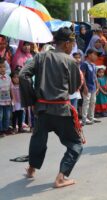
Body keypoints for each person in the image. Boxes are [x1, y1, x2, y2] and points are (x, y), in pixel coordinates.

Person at [19, 27, 84, 188]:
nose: (73, 46)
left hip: (42, 109)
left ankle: (31, 169)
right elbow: (74, 87)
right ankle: (61, 177)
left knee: (38, 140)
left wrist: (33, 98)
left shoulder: (40, 57)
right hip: (61, 109)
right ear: (67, 44)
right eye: (72, 42)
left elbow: (22, 75)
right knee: (76, 144)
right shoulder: (70, 61)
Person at [81, 49, 101, 125]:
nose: (95, 56)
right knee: (86, 102)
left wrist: (97, 84)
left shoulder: (93, 64)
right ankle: (84, 118)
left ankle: (91, 117)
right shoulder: (84, 64)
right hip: (87, 86)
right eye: (94, 54)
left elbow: (95, 76)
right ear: (89, 55)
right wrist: (84, 87)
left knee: (93, 102)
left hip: (93, 87)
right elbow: (82, 76)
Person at [0, 57, 12, 137]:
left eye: (3, 66)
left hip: (7, 100)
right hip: (0, 101)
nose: (2, 69)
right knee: (0, 116)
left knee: (7, 115)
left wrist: (12, 98)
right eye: (0, 67)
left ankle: (6, 128)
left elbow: (11, 89)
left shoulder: (8, 77)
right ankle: (0, 130)